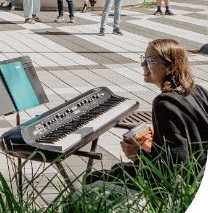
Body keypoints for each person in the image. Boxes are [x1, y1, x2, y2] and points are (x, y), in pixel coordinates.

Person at [88, 39, 208, 186]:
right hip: (200, 174)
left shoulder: (164, 103)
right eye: (144, 59)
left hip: (184, 184)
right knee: (118, 170)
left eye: (150, 61)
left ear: (170, 67)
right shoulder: (198, 90)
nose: (143, 64)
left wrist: (137, 155)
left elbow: (174, 167)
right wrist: (157, 138)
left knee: (94, 179)